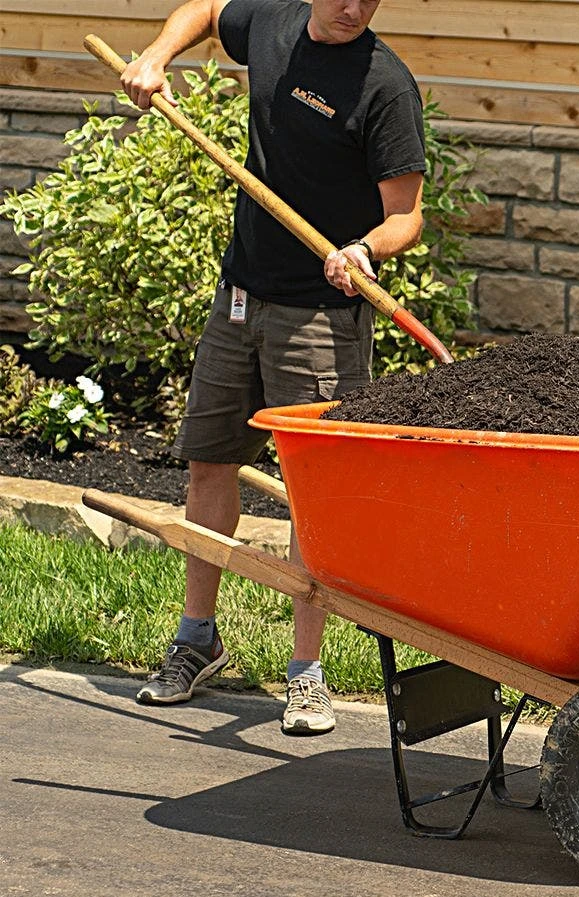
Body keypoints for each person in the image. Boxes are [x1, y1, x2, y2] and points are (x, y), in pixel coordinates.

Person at [120, 0, 425, 734]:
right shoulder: (272, 26)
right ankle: (197, 639)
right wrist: (157, 56)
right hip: (239, 299)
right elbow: (203, 10)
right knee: (210, 463)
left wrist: (365, 250)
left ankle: (306, 672)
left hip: (319, 318)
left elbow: (407, 215)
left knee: (312, 494)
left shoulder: (385, 85)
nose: (354, 8)